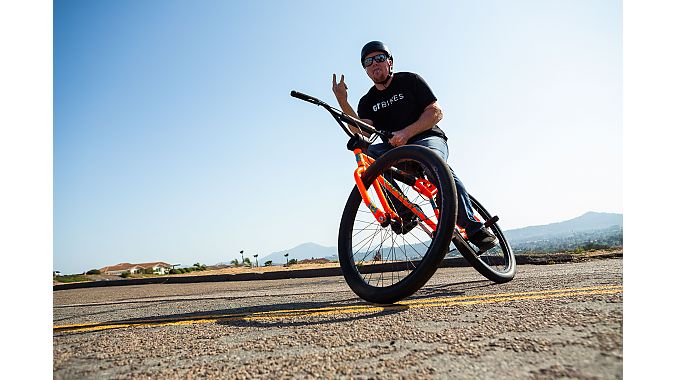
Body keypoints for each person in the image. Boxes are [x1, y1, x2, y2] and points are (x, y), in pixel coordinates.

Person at [331, 40, 498, 251]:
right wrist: (342, 101)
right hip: (396, 151)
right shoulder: (368, 101)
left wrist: (406, 133)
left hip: (426, 138)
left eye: (380, 58)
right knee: (369, 157)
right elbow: (362, 131)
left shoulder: (410, 80)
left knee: (435, 164)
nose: (375, 64)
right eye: (369, 61)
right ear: (365, 69)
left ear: (390, 62)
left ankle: (475, 229)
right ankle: (405, 211)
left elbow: (435, 112)